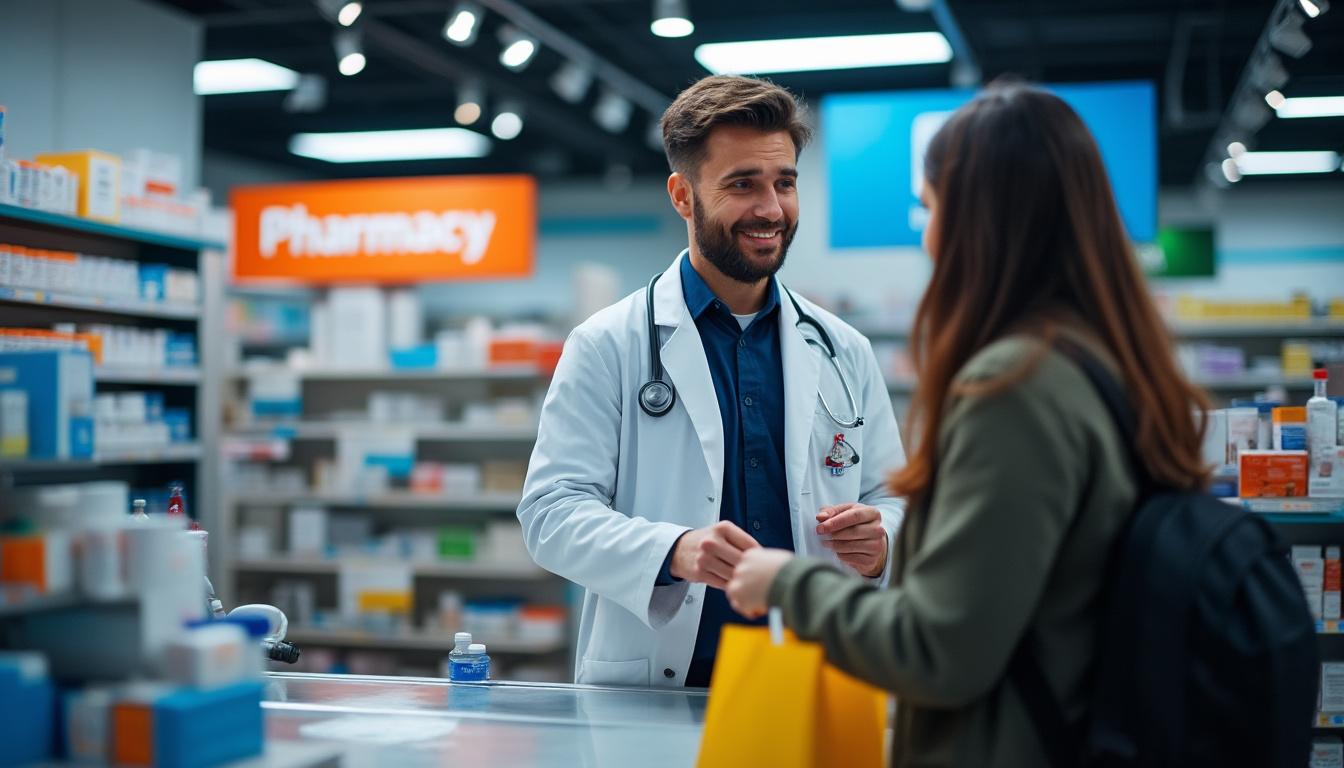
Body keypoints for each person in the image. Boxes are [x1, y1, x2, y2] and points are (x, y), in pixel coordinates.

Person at [726, 80, 1212, 766]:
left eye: (929, 208)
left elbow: (937, 649)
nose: (925, 234)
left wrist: (785, 582)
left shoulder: (1014, 388)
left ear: (981, 221)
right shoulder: (1109, 361)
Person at [517, 75, 907, 688]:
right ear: (682, 195)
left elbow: (895, 495)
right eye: (742, 184)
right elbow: (550, 513)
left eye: (785, 183)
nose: (772, 210)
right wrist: (672, 552)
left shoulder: (843, 349)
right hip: (662, 688)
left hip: (814, 674)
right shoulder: (608, 344)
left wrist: (882, 538)